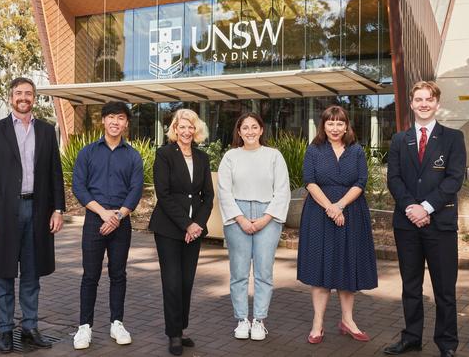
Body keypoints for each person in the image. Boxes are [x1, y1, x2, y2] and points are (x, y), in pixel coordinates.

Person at [0, 77, 65, 353]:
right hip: (3, 213)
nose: (23, 97)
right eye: (18, 93)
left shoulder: (48, 131)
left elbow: (55, 174)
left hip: (38, 211)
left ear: (34, 98)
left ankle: (29, 327)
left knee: (31, 274)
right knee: (4, 275)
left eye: (28, 93)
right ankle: (4, 330)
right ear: (10, 97)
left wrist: (58, 209)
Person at [384, 81, 466, 357]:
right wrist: (411, 207)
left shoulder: (453, 138)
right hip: (407, 225)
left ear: (437, 104)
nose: (423, 104)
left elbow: (454, 179)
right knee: (410, 286)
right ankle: (411, 337)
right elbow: (393, 178)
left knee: (445, 289)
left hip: (440, 225)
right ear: (411, 103)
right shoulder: (399, 139)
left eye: (428, 99)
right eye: (418, 99)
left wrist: (427, 207)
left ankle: (447, 344)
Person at [296, 105, 378, 345]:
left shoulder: (356, 150)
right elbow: (309, 181)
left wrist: (340, 205)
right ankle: (317, 324)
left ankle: (347, 321)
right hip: (319, 214)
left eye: (339, 123)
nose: (334, 127)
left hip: (351, 212)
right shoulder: (314, 150)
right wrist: (330, 208)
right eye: (330, 123)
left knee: (347, 266)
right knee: (320, 270)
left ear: (346, 125)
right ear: (323, 125)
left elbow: (361, 181)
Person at [71, 101, 144, 350]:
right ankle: (84, 327)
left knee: (118, 275)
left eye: (121, 118)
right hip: (94, 220)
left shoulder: (133, 155)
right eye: (111, 117)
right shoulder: (88, 153)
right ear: (103, 120)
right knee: (90, 276)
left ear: (126, 123)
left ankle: (117, 323)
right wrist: (103, 214)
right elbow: (79, 187)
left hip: (121, 223)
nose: (115, 122)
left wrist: (117, 217)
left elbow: (136, 190)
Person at [217, 113, 291, 341]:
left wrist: (264, 219)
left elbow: (282, 190)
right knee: (238, 272)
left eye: (254, 127)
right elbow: (224, 191)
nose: (249, 131)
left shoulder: (274, 156)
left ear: (261, 130)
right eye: (245, 128)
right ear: (239, 132)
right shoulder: (230, 156)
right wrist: (240, 219)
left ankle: (259, 320)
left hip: (267, 215)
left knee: (264, 272)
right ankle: (242, 319)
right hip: (236, 214)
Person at [149, 109, 214, 355]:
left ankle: (182, 328)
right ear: (174, 129)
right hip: (168, 228)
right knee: (173, 282)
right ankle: (173, 334)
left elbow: (208, 196)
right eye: (181, 127)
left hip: (194, 230)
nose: (186, 131)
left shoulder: (202, 157)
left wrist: (197, 224)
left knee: (187, 281)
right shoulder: (164, 154)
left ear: (196, 130)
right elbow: (163, 194)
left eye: (190, 127)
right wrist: (186, 224)